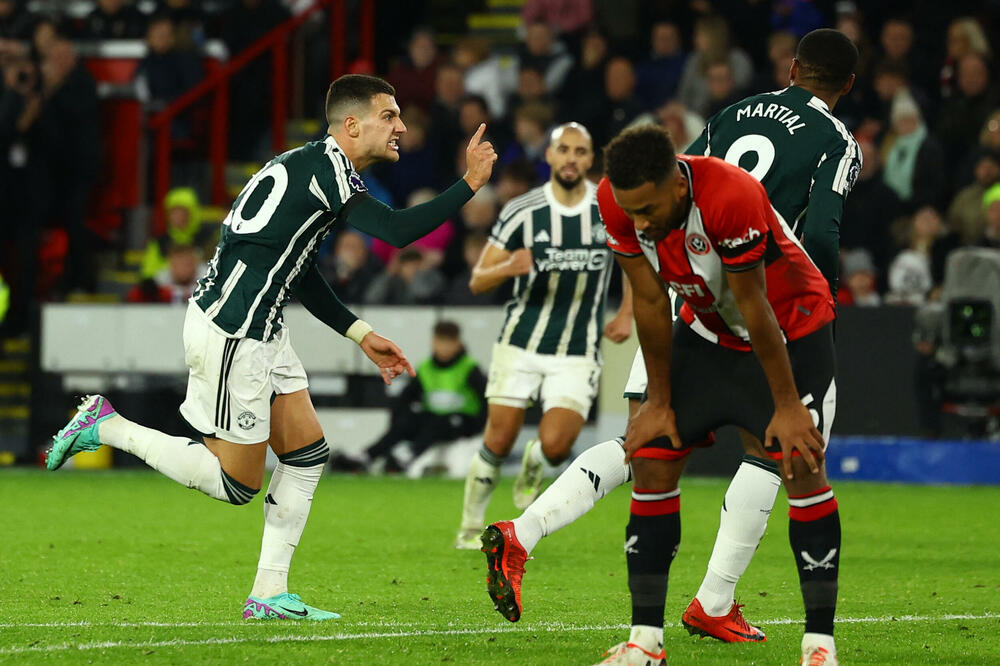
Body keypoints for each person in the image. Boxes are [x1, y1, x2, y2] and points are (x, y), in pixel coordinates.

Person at [46, 74, 497, 621]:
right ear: (352, 125)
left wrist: (359, 333)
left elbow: (298, 270)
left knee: (307, 455)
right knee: (237, 484)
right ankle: (107, 426)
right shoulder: (331, 175)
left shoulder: (308, 165)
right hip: (234, 330)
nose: (400, 126)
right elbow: (398, 231)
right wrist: (469, 183)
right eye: (389, 115)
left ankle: (268, 594)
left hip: (262, 326)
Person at [480, 30, 860, 654]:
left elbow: (669, 186)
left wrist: (658, 285)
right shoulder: (836, 139)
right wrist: (820, 308)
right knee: (775, 454)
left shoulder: (735, 112)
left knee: (644, 444)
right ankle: (714, 603)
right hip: (764, 305)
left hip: (687, 292)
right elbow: (818, 230)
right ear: (848, 84)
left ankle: (526, 531)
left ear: (792, 68)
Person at [597, 126, 841, 665]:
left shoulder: (729, 194)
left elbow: (755, 306)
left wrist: (787, 407)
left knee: (801, 463)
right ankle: (644, 644)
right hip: (708, 328)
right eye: (631, 212)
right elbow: (649, 300)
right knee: (653, 456)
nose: (640, 223)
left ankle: (819, 647)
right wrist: (659, 400)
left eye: (648, 210)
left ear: (678, 186)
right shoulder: (616, 199)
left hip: (791, 328)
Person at [454, 122, 631, 549]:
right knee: (498, 440)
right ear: (549, 156)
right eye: (563, 149)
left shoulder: (610, 207)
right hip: (520, 343)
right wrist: (507, 267)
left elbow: (633, 262)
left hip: (578, 349)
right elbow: (478, 279)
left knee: (556, 447)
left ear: (590, 160)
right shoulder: (523, 210)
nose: (571, 158)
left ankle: (535, 461)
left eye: (580, 151)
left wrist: (626, 313)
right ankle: (469, 528)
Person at [330, 320, 487, 473]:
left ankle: (406, 457)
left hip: (462, 422)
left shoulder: (469, 368)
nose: (444, 347)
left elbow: (486, 400)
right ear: (433, 342)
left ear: (457, 343)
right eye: (441, 341)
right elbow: (405, 398)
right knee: (408, 421)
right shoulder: (426, 368)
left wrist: (479, 427)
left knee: (439, 424)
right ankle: (366, 457)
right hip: (432, 418)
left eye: (449, 342)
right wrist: (398, 422)